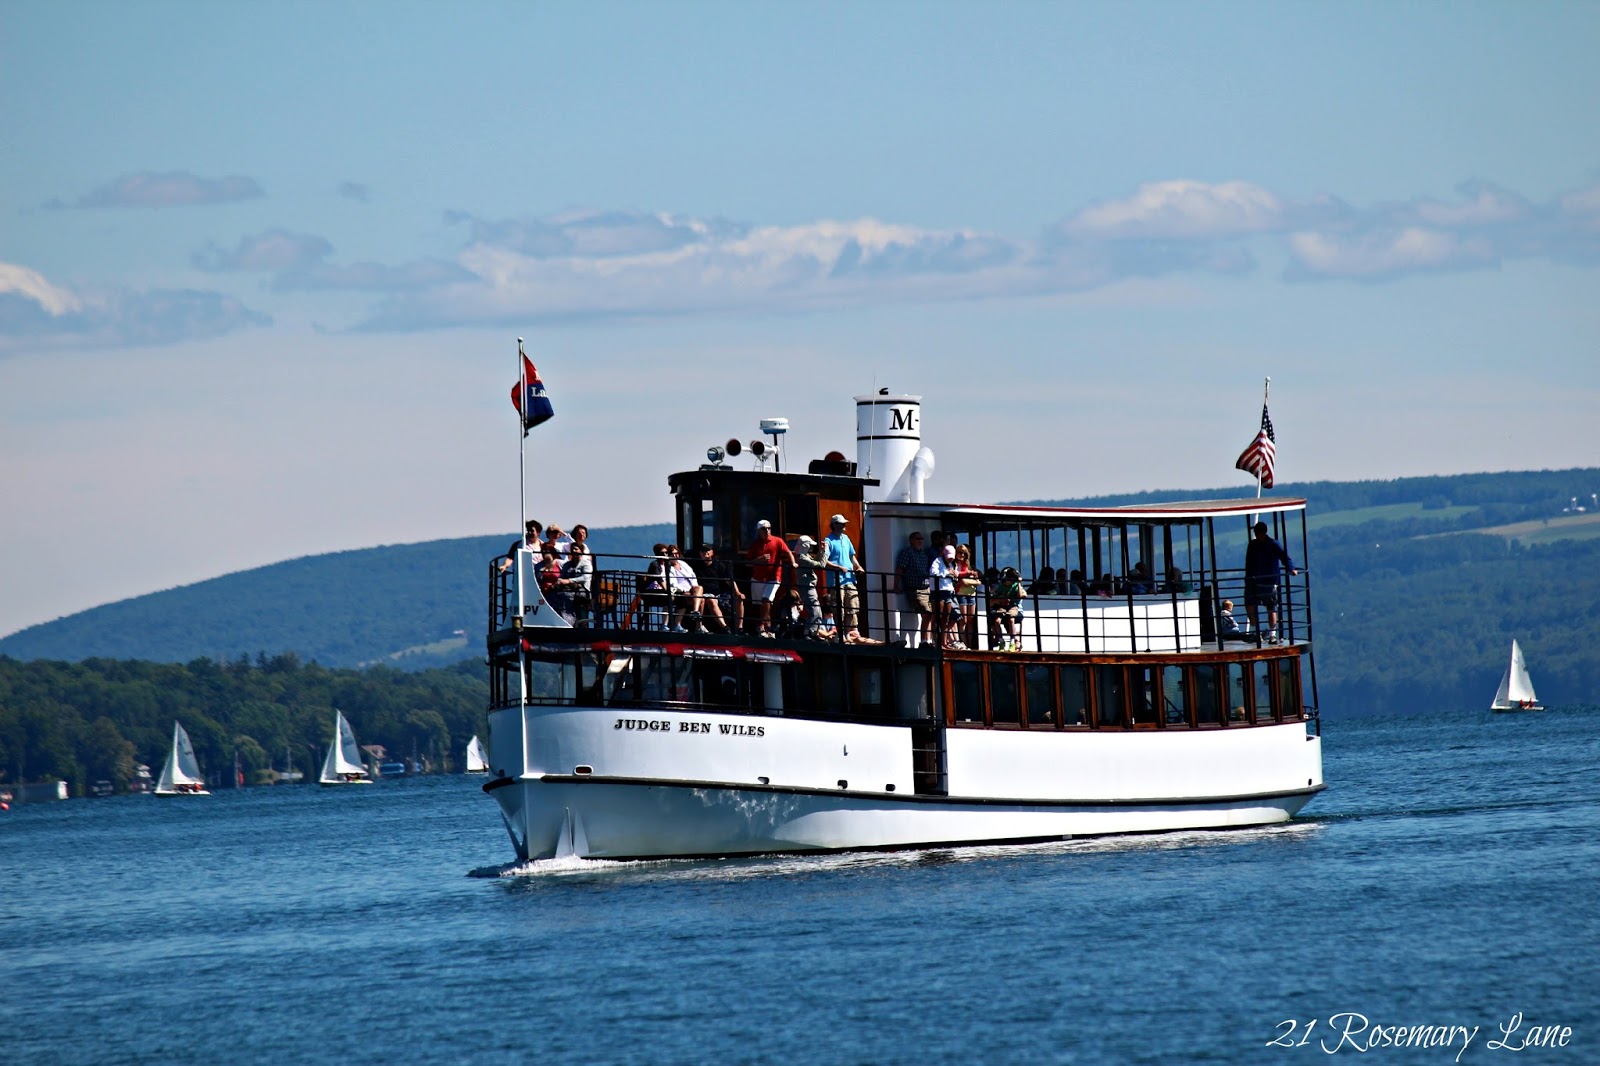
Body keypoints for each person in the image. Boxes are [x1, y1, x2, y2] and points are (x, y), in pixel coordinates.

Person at [1244, 521, 1298, 643]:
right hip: (1254, 580)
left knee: (1271, 607)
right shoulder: (1253, 545)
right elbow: (1248, 562)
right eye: (1257, 533)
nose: (1258, 535)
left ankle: (1272, 634)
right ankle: (1255, 631)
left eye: (1259, 533)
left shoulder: (1273, 544)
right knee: (1250, 604)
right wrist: (1248, 578)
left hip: (1269, 581)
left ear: (1264, 532)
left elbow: (1284, 557)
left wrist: (1291, 568)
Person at [745, 519, 794, 637]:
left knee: (766, 600)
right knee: (760, 604)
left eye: (769, 528)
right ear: (758, 531)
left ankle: (763, 625)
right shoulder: (754, 544)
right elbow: (748, 563)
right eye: (763, 528)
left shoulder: (778, 541)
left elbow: (788, 552)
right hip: (758, 578)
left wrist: (793, 563)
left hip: (774, 577)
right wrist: (759, 560)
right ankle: (768, 628)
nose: (767, 530)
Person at [824, 514, 867, 642]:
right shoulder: (828, 540)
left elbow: (851, 555)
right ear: (835, 525)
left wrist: (858, 566)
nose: (844, 526)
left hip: (849, 578)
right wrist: (838, 567)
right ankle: (840, 633)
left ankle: (847, 633)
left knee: (852, 607)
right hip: (836, 580)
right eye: (842, 524)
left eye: (844, 523)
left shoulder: (846, 538)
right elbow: (824, 561)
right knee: (839, 609)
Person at [892, 530, 933, 647]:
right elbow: (900, 569)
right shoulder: (907, 553)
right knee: (927, 613)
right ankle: (923, 642)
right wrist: (895, 586)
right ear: (911, 541)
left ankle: (927, 641)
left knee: (930, 614)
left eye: (921, 539)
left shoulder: (923, 554)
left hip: (927, 588)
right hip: (915, 589)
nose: (920, 541)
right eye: (917, 539)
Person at [690, 543, 741, 634]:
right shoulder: (695, 566)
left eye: (707, 550)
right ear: (700, 553)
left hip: (719, 593)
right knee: (711, 600)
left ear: (712, 552)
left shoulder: (719, 565)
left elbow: (728, 580)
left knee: (739, 599)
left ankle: (740, 628)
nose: (705, 552)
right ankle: (725, 628)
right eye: (703, 551)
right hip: (704, 594)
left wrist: (737, 593)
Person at [793, 535, 829, 637]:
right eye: (809, 545)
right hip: (807, 587)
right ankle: (810, 633)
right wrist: (826, 553)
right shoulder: (802, 558)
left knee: (815, 610)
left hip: (809, 586)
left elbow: (815, 561)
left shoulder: (804, 557)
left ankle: (812, 633)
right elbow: (820, 565)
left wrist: (821, 551)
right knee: (814, 610)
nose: (811, 548)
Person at [988, 566, 1028, 651]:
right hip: (1002, 607)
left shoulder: (1016, 586)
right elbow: (993, 599)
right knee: (996, 620)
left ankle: (1013, 642)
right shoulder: (1001, 587)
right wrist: (1000, 600)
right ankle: (1001, 641)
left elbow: (1022, 595)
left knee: (1011, 619)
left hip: (1013, 607)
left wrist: (1018, 583)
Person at [929, 544, 960, 649]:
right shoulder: (937, 561)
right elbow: (933, 572)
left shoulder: (952, 564)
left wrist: (955, 575)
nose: (950, 559)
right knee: (938, 618)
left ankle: (944, 642)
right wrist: (947, 573)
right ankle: (936, 642)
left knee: (946, 619)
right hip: (938, 592)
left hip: (949, 592)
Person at [663, 545, 699, 631]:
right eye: (672, 554)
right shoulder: (668, 567)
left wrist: (694, 586)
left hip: (692, 590)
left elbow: (692, 575)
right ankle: (699, 626)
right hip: (682, 591)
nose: (675, 556)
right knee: (701, 600)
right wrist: (685, 590)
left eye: (676, 553)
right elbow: (673, 583)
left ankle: (695, 611)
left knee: (699, 588)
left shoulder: (683, 564)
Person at [557, 541, 594, 625]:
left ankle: (571, 622)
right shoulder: (567, 565)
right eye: (572, 549)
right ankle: (561, 621)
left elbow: (585, 577)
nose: (574, 551)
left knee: (568, 597)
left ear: (581, 551)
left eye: (576, 549)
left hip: (581, 590)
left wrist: (570, 580)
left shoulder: (586, 564)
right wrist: (559, 582)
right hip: (567, 588)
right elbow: (562, 576)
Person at [952, 544, 980, 648]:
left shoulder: (969, 566)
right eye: (959, 552)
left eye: (964, 553)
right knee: (963, 620)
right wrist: (969, 576)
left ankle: (970, 643)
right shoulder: (954, 565)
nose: (962, 555)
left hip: (971, 594)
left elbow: (977, 581)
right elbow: (958, 575)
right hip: (961, 594)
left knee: (970, 621)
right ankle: (964, 643)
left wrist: (968, 579)